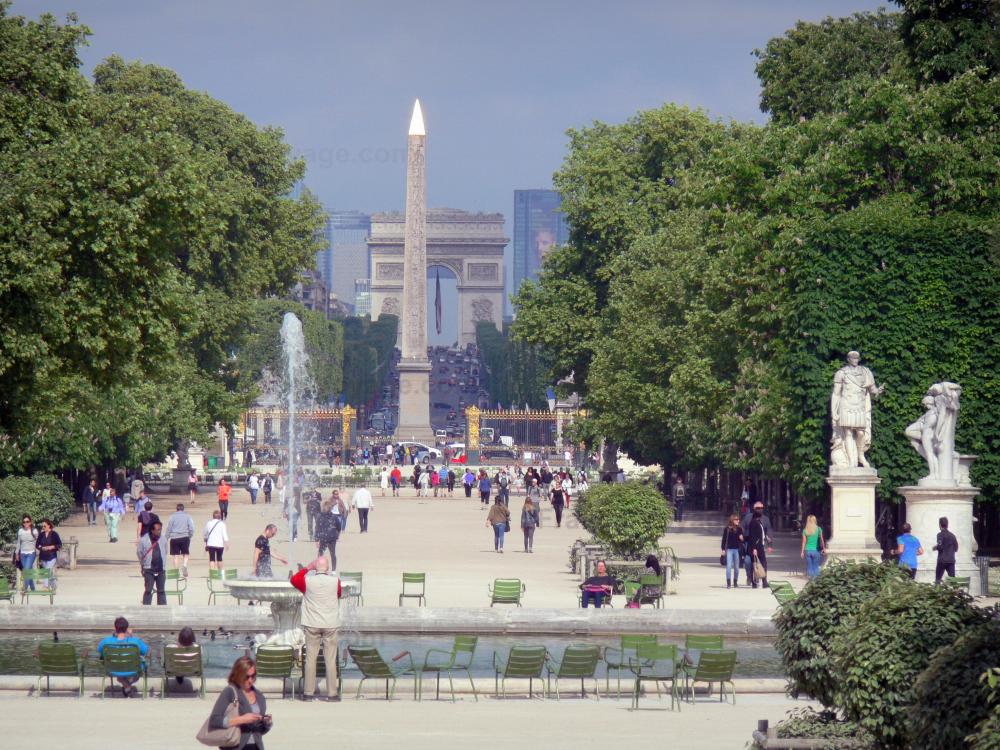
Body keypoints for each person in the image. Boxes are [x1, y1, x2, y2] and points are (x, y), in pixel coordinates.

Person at [291, 557, 342, 702]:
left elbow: (294, 579)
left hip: (312, 623)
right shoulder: (335, 581)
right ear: (327, 568)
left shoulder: (308, 581)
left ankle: (308, 693)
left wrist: (308, 567)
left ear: (316, 568)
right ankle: (332, 693)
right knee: (330, 660)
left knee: (310, 659)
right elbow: (338, 594)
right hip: (330, 624)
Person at [830, 350, 885, 469]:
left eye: (857, 358)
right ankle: (852, 462)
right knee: (848, 433)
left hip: (859, 406)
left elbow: (872, 389)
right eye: (852, 358)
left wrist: (878, 391)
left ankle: (860, 455)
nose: (855, 360)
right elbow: (836, 393)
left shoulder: (865, 372)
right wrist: (834, 411)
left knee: (860, 433)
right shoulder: (841, 373)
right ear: (848, 359)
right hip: (846, 405)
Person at [208, 655, 272, 747]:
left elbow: (259, 732)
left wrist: (267, 723)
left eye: (253, 676)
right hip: (235, 746)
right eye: (246, 677)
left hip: (256, 746)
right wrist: (242, 720)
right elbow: (214, 720)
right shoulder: (230, 692)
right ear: (238, 675)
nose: (250, 680)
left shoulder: (259, 696)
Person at [97, 617, 150, 697]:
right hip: (134, 670)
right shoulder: (135, 641)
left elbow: (100, 652)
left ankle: (123, 681)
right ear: (127, 628)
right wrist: (131, 637)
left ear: (115, 628)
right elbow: (146, 652)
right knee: (140, 666)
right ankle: (126, 683)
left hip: (113, 669)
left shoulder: (105, 641)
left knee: (116, 663)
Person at [137, 521, 168, 605]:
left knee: (161, 591)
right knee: (148, 590)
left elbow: (165, 551)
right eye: (157, 530)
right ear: (152, 530)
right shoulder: (144, 540)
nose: (159, 532)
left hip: (161, 569)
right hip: (149, 569)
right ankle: (146, 608)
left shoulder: (163, 538)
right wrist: (143, 563)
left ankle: (162, 609)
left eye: (160, 530)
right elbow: (139, 552)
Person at [741, 501, 772, 587]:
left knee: (762, 563)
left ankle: (763, 581)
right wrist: (743, 537)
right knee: (750, 563)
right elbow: (752, 535)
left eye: (761, 508)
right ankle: (752, 579)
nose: (760, 510)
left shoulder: (764, 520)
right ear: (754, 509)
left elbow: (768, 532)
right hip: (753, 545)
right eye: (758, 508)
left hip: (759, 545)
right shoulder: (751, 520)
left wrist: (770, 544)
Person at [165, 503, 195, 577]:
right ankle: (184, 565)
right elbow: (191, 527)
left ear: (177, 509)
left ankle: (176, 571)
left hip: (174, 537)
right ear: (183, 509)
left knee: (176, 555)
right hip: (185, 536)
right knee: (186, 553)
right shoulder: (188, 516)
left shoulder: (172, 517)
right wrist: (190, 535)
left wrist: (166, 537)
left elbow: (169, 528)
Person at [315, 498, 341, 569]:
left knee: (320, 553)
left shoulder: (319, 517)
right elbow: (339, 527)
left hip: (323, 537)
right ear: (331, 508)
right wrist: (337, 535)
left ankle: (319, 568)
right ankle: (333, 570)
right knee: (333, 554)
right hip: (332, 537)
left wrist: (317, 540)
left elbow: (317, 528)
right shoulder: (334, 517)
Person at [35, 519, 62, 590]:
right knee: (48, 572)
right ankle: (54, 585)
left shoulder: (54, 534)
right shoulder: (41, 534)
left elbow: (59, 544)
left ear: (49, 525)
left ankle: (45, 586)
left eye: (44, 526)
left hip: (52, 556)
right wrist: (41, 548)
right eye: (42, 526)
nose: (43, 527)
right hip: (43, 556)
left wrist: (51, 547)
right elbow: (37, 545)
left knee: (47, 570)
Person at [15, 515, 38, 591]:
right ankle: (33, 588)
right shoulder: (20, 531)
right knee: (27, 570)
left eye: (27, 521)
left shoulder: (34, 531)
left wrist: (38, 552)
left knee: (26, 570)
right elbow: (18, 543)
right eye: (24, 522)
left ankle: (25, 588)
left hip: (31, 553)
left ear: (30, 522)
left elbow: (37, 542)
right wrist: (17, 553)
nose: (26, 523)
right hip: (22, 554)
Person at [932, 516, 959, 583]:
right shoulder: (952, 535)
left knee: (937, 580)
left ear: (940, 525)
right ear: (947, 524)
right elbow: (956, 548)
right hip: (951, 560)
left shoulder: (940, 535)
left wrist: (935, 547)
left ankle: (936, 592)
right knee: (953, 581)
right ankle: (955, 592)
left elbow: (940, 546)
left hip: (942, 560)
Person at [721, 515, 744, 588]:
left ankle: (735, 582)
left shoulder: (739, 529)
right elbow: (724, 540)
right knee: (728, 566)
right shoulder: (727, 529)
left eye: (738, 519)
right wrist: (723, 550)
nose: (738, 521)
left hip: (737, 550)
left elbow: (742, 540)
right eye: (736, 519)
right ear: (732, 520)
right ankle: (728, 583)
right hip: (729, 550)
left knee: (737, 567)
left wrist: (742, 538)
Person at [800, 515, 826, 579]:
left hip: (808, 551)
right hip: (816, 550)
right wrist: (824, 548)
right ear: (815, 520)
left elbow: (804, 542)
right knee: (816, 566)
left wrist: (802, 552)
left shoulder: (805, 530)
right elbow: (822, 540)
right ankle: (816, 580)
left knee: (810, 566)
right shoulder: (819, 529)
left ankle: (810, 580)